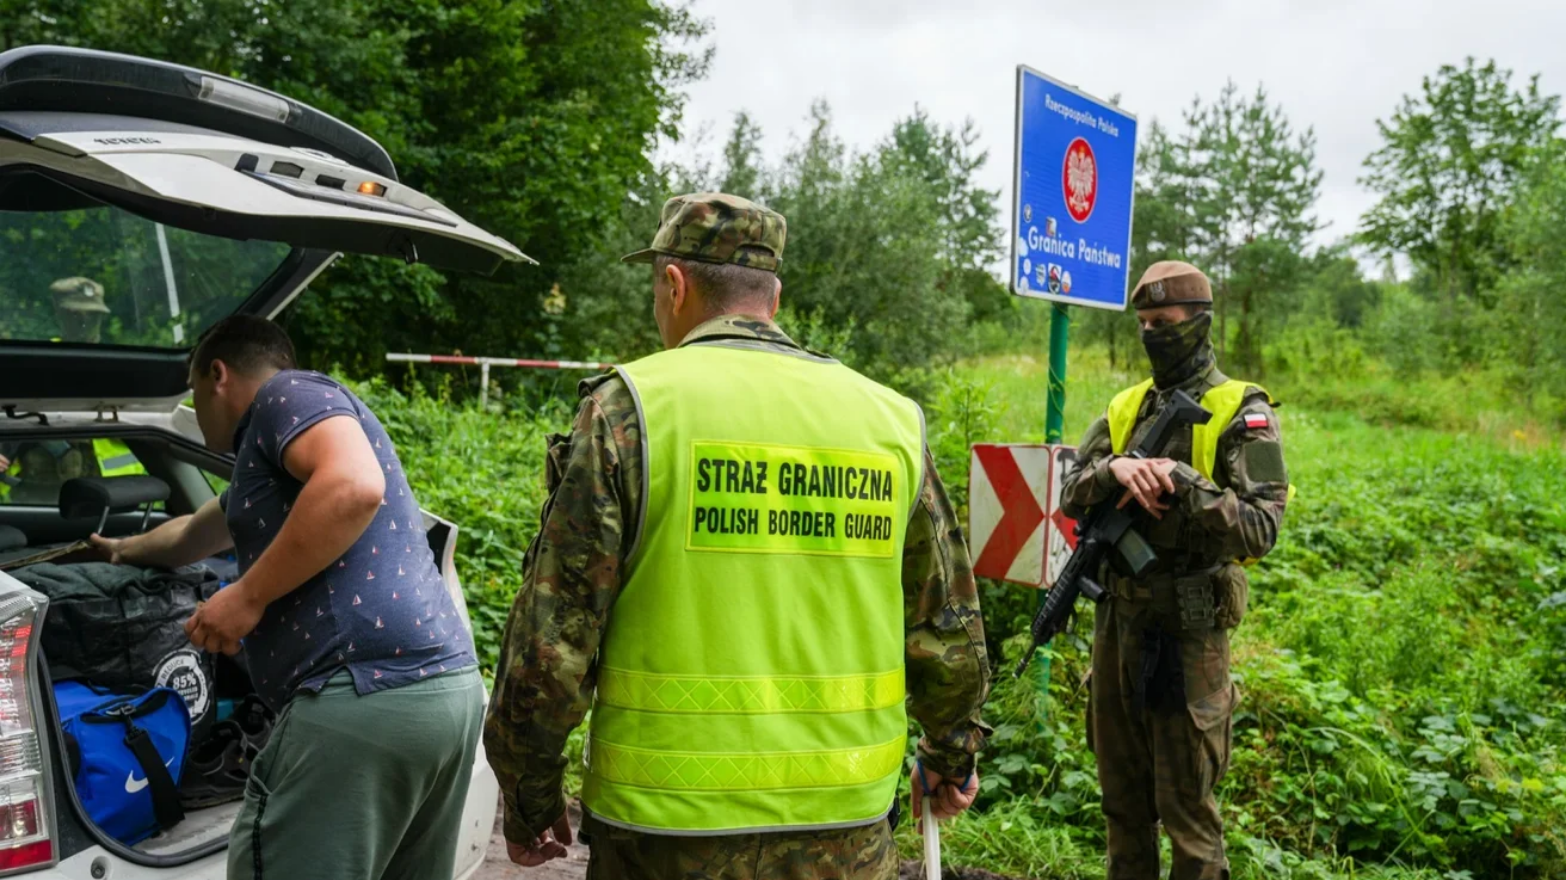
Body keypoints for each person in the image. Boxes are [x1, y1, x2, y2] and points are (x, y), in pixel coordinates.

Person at [485, 192, 992, 880]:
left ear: (674, 285)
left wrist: (530, 798)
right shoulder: (890, 420)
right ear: (772, 299)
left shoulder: (630, 409)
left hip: (663, 836)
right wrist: (951, 755)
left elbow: (553, 642)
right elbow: (948, 624)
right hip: (845, 832)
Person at [90, 315, 484, 880]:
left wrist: (246, 596)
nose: (194, 406)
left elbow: (355, 486)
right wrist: (119, 550)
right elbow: (194, 535)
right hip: (445, 695)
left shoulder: (287, 394)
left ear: (217, 375)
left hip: (365, 695)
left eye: (192, 388)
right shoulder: (268, 469)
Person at [1059, 261, 1292, 880]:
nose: (1151, 334)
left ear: (1199, 323)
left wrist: (1185, 483)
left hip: (1189, 637)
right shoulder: (1126, 406)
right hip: (1117, 627)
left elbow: (1261, 528)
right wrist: (1112, 470)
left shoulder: (1243, 410)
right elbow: (1070, 490)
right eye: (1143, 324)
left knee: (1189, 816)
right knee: (1122, 806)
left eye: (1163, 322)